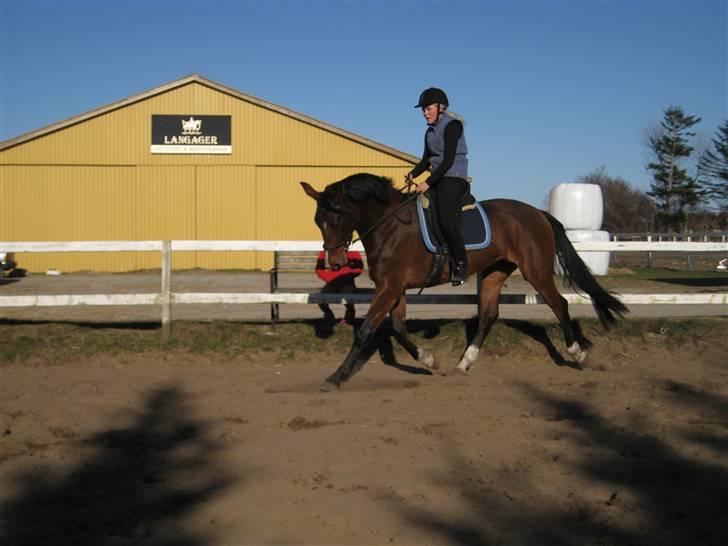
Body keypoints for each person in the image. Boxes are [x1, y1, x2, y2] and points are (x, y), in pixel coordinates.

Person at [405, 87, 470, 286]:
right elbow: (426, 160)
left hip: (454, 177)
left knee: (445, 214)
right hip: (439, 178)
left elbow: (448, 159)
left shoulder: (452, 126)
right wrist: (412, 174)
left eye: (428, 108)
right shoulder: (429, 132)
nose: (425, 112)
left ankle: (461, 263)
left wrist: (428, 182)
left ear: (441, 108)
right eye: (423, 110)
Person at [315, 250, 363, 325]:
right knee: (321, 299)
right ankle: (329, 316)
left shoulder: (350, 250)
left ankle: (349, 317)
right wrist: (328, 277)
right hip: (332, 282)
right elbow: (319, 269)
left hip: (347, 282)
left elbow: (359, 267)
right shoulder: (325, 252)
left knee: (348, 298)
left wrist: (347, 276)